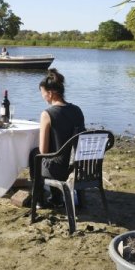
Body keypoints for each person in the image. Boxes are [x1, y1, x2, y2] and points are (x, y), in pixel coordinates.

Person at [29, 68, 85, 206]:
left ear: (50, 93)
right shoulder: (77, 110)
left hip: (59, 170)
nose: (42, 97)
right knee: (51, 154)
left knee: (34, 154)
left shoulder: (47, 114)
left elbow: (43, 151)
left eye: (42, 93)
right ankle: (56, 197)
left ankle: (39, 199)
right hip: (78, 166)